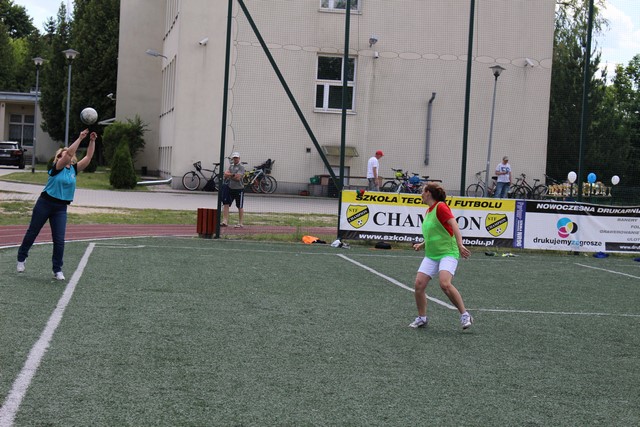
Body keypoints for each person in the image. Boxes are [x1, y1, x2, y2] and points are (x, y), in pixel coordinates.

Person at [16, 129, 97, 280]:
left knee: (59, 240)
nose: (66, 156)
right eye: (62, 155)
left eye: (67, 155)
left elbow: (88, 157)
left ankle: (57, 269)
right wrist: (80, 138)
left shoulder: (73, 170)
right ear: (58, 158)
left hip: (60, 208)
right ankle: (21, 257)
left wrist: (92, 141)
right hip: (45, 204)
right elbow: (69, 154)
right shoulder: (56, 169)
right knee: (33, 232)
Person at [409, 182, 473, 330]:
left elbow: (454, 225)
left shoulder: (441, 207)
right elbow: (434, 233)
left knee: (444, 284)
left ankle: (465, 315)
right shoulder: (428, 211)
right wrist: (422, 244)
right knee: (419, 285)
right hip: (432, 254)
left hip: (447, 252)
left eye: (422, 191)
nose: (421, 194)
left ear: (428, 193)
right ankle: (422, 318)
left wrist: (460, 244)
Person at [221, 152, 246, 228]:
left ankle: (240, 223)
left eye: (236, 158)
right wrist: (233, 175)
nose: (235, 159)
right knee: (226, 204)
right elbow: (225, 174)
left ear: (239, 158)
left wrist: (230, 175)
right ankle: (225, 221)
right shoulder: (231, 166)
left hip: (239, 189)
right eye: (234, 158)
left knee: (239, 206)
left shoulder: (241, 167)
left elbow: (238, 178)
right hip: (230, 188)